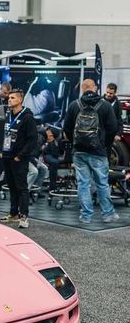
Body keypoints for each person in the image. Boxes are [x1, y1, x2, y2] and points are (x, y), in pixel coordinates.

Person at [63, 78, 118, 224]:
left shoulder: (75, 105)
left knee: (83, 184)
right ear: (94, 88)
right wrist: (105, 144)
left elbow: (66, 128)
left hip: (79, 152)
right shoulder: (105, 106)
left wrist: (75, 142)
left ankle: (86, 216)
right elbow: (113, 128)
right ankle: (108, 214)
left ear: (82, 89)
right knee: (102, 183)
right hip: (98, 151)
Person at [0, 89, 38, 229]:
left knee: (22, 188)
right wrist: (2, 150)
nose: (9, 100)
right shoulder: (9, 115)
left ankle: (24, 216)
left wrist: (20, 156)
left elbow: (32, 140)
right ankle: (13, 213)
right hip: (7, 156)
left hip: (19, 158)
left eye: (13, 98)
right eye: (9, 98)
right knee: (12, 187)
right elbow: (6, 135)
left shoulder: (27, 117)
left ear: (20, 100)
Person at [102, 82, 123, 161]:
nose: (108, 94)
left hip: (110, 135)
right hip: (99, 133)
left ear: (115, 93)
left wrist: (118, 134)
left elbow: (119, 120)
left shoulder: (117, 104)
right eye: (107, 92)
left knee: (107, 155)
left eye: (111, 93)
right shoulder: (100, 101)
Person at [42, 127, 60, 192]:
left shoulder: (55, 140)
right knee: (54, 162)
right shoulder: (44, 136)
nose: (49, 136)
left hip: (52, 154)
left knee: (55, 162)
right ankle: (52, 185)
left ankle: (53, 185)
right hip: (47, 154)